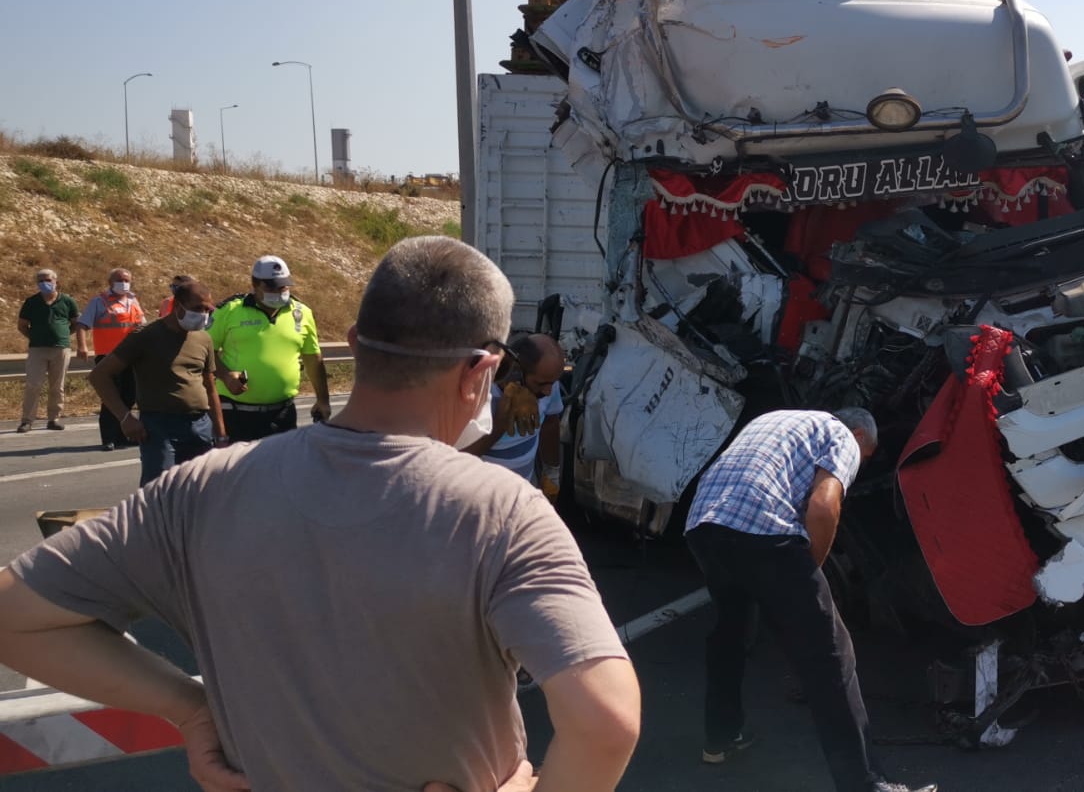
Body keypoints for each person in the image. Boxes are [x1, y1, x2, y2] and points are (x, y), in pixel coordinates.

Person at [0, 237, 640, 791]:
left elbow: (14, 616)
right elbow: (606, 721)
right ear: (483, 369)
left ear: (357, 344)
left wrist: (191, 709)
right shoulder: (503, 512)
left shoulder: (198, 490)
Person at [684, 408, 936, 792]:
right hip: (764, 534)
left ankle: (721, 737)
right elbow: (823, 504)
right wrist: (808, 574)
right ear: (859, 433)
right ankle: (865, 784)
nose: (860, 464)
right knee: (833, 655)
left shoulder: (777, 420)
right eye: (864, 457)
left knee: (731, 631)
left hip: (704, 524)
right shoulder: (842, 436)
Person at [90, 279, 228, 486]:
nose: (203, 315)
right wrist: (125, 417)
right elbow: (99, 376)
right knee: (158, 490)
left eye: (207, 309)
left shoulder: (203, 339)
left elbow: (210, 388)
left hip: (200, 427)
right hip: (160, 427)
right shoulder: (145, 336)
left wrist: (221, 434)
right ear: (178, 305)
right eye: (197, 309)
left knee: (201, 491)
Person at [209, 256, 332, 441]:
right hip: (236, 413)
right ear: (254, 284)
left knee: (281, 469)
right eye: (271, 287)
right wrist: (226, 375)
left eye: (283, 287)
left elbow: (313, 358)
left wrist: (323, 400)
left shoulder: (302, 313)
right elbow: (205, 350)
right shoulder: (229, 311)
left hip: (283, 414)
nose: (278, 292)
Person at [462, 332, 565, 500]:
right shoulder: (480, 394)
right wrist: (501, 423)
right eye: (540, 384)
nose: (548, 391)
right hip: (482, 500)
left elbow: (550, 424)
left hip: (523, 495)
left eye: (552, 384)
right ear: (515, 371)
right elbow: (459, 459)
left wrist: (552, 471)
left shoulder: (548, 380)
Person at [76, 267, 147, 450]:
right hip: (108, 358)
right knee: (111, 397)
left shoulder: (133, 301)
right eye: (119, 279)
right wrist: (82, 346)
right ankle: (108, 437)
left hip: (131, 356)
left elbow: (142, 325)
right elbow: (82, 324)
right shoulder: (99, 302)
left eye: (127, 279)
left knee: (129, 396)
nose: (124, 282)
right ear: (110, 282)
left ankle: (123, 435)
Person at [16, 268, 85, 432]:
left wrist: (64, 335)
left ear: (56, 282)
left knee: (57, 386)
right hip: (37, 349)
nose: (44, 283)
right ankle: (27, 420)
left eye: (47, 280)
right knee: (33, 384)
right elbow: (22, 326)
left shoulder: (67, 301)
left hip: (60, 349)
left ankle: (54, 419)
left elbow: (76, 323)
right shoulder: (31, 302)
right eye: (40, 281)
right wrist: (35, 337)